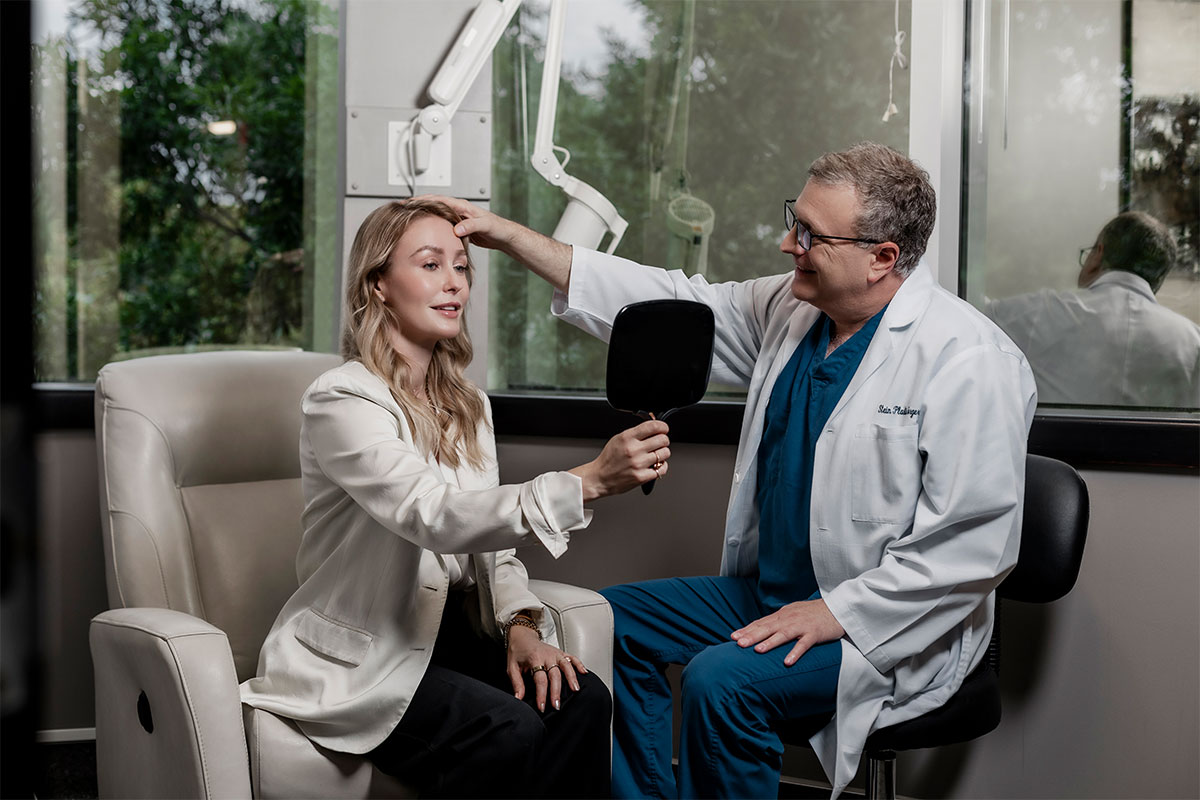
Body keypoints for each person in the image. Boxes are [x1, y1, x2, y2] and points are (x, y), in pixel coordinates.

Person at [429, 141, 1038, 798]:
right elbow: (664, 299)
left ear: (882, 258)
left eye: (809, 233)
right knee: (613, 625)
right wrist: (511, 238)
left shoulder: (968, 359)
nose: (786, 243)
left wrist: (838, 612)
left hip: (884, 622)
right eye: (792, 218)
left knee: (721, 681)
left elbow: (972, 548)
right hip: (771, 595)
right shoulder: (792, 308)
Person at [241, 198, 674, 798]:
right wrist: (588, 481)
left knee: (583, 699)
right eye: (430, 265)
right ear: (379, 286)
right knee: (507, 730)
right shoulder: (341, 400)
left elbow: (489, 549)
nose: (454, 284)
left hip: (451, 637)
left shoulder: (467, 405)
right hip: (368, 657)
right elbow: (434, 517)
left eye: (462, 267)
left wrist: (521, 625)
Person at [985, 211, 1200, 408]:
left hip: (1050, 450)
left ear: (1098, 254)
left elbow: (972, 314)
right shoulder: (1192, 341)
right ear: (1158, 280)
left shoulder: (1042, 311)